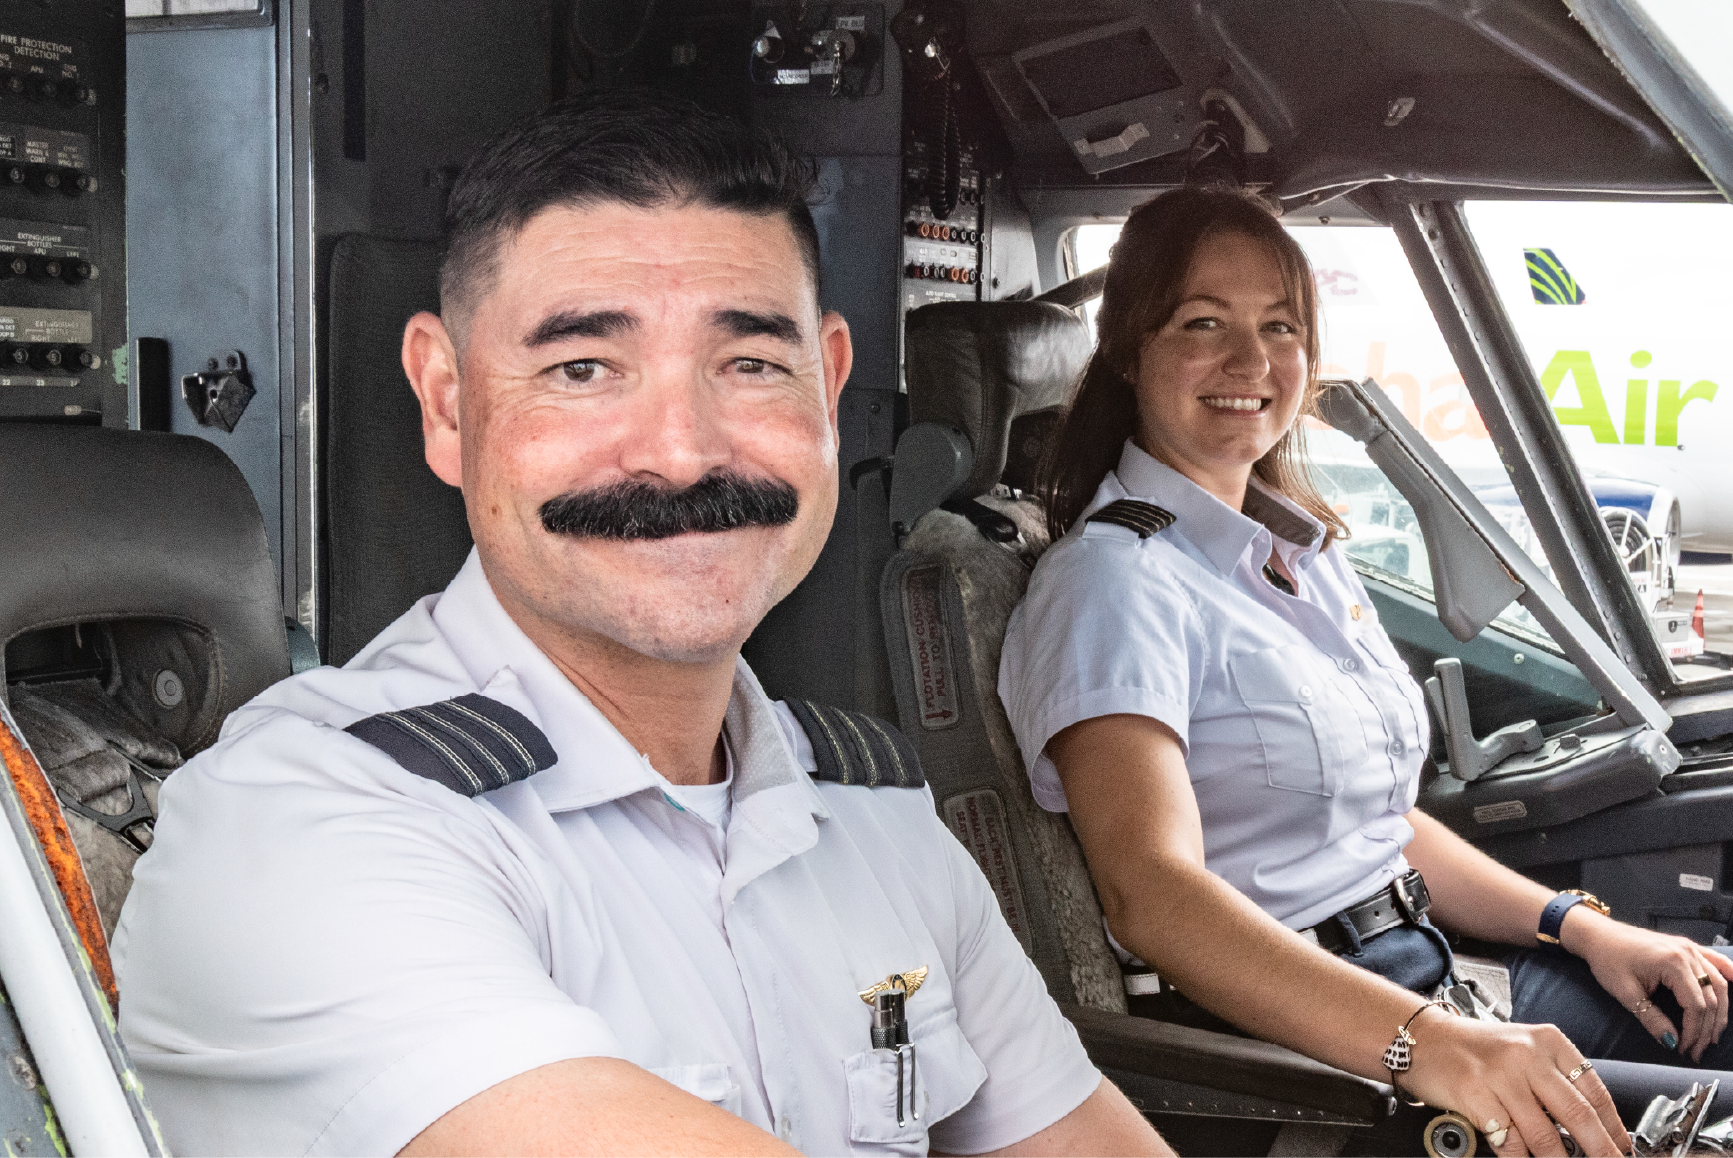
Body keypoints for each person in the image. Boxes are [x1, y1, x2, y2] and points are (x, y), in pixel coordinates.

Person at [113, 90, 1170, 1158]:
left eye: (749, 364)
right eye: (582, 369)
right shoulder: (301, 828)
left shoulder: (870, 814)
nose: (679, 451)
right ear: (445, 403)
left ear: (829, 382)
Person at [997, 185, 1733, 1158]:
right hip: (1315, 1055)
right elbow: (1151, 893)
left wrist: (1578, 928)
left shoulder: (1294, 553)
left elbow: (1373, 823)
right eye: (1201, 323)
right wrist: (1433, 1049)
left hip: (1425, 977)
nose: (1249, 362)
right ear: (1130, 350)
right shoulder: (1112, 584)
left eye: (1278, 327)